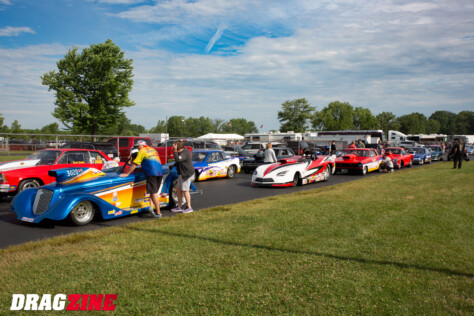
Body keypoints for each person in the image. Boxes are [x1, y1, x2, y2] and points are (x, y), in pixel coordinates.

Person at [119, 140, 163, 218]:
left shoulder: (142, 151)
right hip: (160, 172)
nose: (137, 148)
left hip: (151, 173)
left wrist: (127, 173)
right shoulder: (153, 149)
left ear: (140, 146)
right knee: (152, 192)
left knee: (153, 193)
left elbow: (135, 163)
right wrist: (142, 168)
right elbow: (150, 162)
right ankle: (151, 208)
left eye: (137, 147)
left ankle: (158, 213)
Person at [171, 140, 195, 214]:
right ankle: (180, 206)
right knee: (178, 189)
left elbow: (178, 159)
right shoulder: (181, 153)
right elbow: (179, 162)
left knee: (185, 191)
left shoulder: (185, 152)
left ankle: (189, 207)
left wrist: (175, 150)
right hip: (181, 174)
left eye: (174, 147)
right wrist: (173, 165)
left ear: (178, 147)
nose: (173, 148)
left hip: (187, 174)